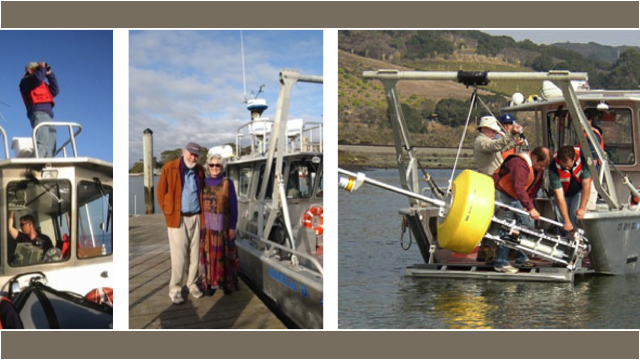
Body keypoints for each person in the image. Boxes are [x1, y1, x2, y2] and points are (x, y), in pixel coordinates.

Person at [157, 142, 205, 304]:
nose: (193, 157)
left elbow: (202, 191)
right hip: (178, 218)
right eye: (191, 153)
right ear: (184, 152)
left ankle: (192, 284)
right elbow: (160, 192)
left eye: (196, 155)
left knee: (195, 256)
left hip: (197, 217)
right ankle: (175, 289)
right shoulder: (169, 168)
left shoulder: (200, 170)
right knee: (179, 258)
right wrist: (168, 212)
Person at [491, 146, 551, 273]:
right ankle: (501, 262)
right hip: (504, 193)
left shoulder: (538, 169)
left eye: (544, 166)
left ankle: (521, 257)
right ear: (534, 157)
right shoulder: (519, 163)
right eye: (541, 165)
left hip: (518, 196)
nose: (542, 168)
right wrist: (529, 208)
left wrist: (530, 206)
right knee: (508, 226)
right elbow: (518, 187)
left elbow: (533, 190)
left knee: (528, 223)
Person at [473, 114, 523, 263]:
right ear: (485, 129)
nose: (495, 132)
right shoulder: (482, 141)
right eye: (493, 130)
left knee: (498, 213)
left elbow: (498, 149)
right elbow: (496, 146)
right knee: (498, 213)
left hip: (495, 180)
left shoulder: (485, 141)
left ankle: (487, 248)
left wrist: (513, 143)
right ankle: (490, 247)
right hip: (491, 181)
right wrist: (511, 135)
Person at [200, 153, 239, 296]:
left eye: (218, 165)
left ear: (222, 167)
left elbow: (234, 207)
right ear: (208, 167)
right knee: (209, 256)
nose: (215, 168)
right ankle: (209, 283)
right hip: (208, 227)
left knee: (225, 255)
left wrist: (232, 227)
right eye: (212, 165)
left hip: (223, 226)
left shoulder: (228, 183)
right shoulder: (203, 182)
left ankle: (227, 284)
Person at [549, 145, 593, 233]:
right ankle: (562, 240)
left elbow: (586, 185)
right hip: (563, 193)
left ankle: (577, 238)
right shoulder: (553, 165)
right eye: (564, 166)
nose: (566, 168)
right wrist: (566, 221)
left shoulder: (583, 157)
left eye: (569, 166)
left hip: (579, 190)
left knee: (575, 215)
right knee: (562, 219)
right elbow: (559, 196)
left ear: (574, 159)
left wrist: (582, 208)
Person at [20, 62, 60, 158]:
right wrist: (42, 68)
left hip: (49, 115)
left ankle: (48, 164)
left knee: (51, 144)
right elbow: (38, 78)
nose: (40, 71)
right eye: (36, 69)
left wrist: (50, 74)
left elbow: (55, 90)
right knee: (42, 141)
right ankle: (34, 165)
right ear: (30, 71)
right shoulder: (26, 82)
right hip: (38, 113)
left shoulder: (42, 84)